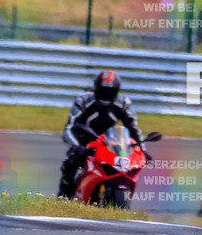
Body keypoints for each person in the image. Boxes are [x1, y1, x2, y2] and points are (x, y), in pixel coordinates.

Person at [58, 70, 144, 199]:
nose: (106, 95)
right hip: (83, 143)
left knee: (125, 163)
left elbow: (133, 128)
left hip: (109, 142)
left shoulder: (123, 104)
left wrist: (141, 148)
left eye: (110, 92)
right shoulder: (83, 101)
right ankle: (64, 196)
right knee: (71, 163)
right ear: (96, 89)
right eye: (103, 91)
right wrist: (77, 146)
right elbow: (68, 129)